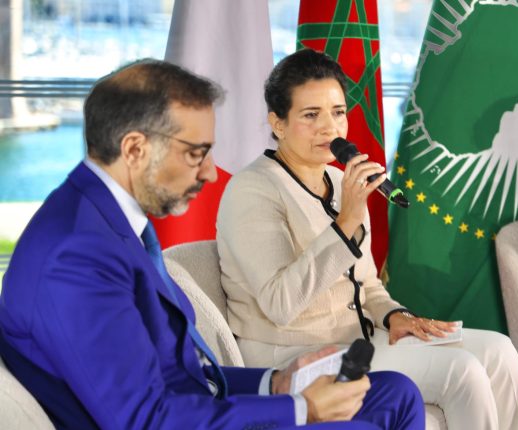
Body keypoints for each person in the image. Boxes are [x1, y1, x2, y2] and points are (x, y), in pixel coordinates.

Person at [0, 59, 425, 430]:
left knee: (396, 394)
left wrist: (275, 383)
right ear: (134, 149)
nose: (209, 173)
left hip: (194, 408)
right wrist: (299, 409)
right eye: (196, 153)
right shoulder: (75, 255)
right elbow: (145, 420)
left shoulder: (115, 221)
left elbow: (180, 375)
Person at [216, 48, 518, 430]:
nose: (329, 128)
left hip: (361, 340)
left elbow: (366, 284)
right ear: (277, 123)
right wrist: (346, 221)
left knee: (500, 350)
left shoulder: (341, 181)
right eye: (311, 115)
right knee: (461, 371)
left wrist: (394, 315)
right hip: (295, 354)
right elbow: (281, 303)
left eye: (338, 112)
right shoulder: (252, 190)